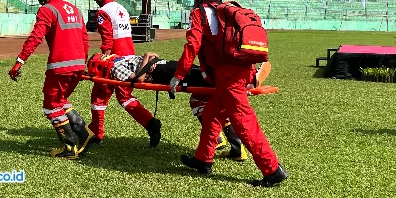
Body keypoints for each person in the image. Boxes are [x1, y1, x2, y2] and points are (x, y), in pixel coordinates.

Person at [171, 0, 288, 188]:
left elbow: (193, 45)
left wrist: (178, 75)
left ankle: (272, 169)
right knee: (211, 116)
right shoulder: (231, 11)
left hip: (228, 77)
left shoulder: (200, 14)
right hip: (242, 70)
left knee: (245, 124)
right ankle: (203, 160)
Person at [90, 52, 272, 161]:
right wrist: (147, 57)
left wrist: (149, 58)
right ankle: (248, 80)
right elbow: (139, 79)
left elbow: (140, 73)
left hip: (162, 68)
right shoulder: (115, 68)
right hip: (162, 71)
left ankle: (248, 80)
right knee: (201, 84)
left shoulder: (118, 62)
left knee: (203, 84)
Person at [9, 0, 95, 159]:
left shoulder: (47, 10)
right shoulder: (74, 9)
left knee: (51, 105)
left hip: (60, 66)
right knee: (61, 99)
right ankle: (83, 133)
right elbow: (85, 38)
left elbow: (35, 38)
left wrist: (19, 61)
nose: (37, 1)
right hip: (78, 65)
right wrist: (83, 61)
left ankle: (70, 147)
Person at [87, 0, 161, 147]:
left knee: (99, 96)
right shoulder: (121, 8)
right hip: (129, 54)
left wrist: (105, 55)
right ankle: (150, 123)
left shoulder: (103, 12)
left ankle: (97, 134)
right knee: (125, 96)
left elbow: (107, 37)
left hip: (114, 59)